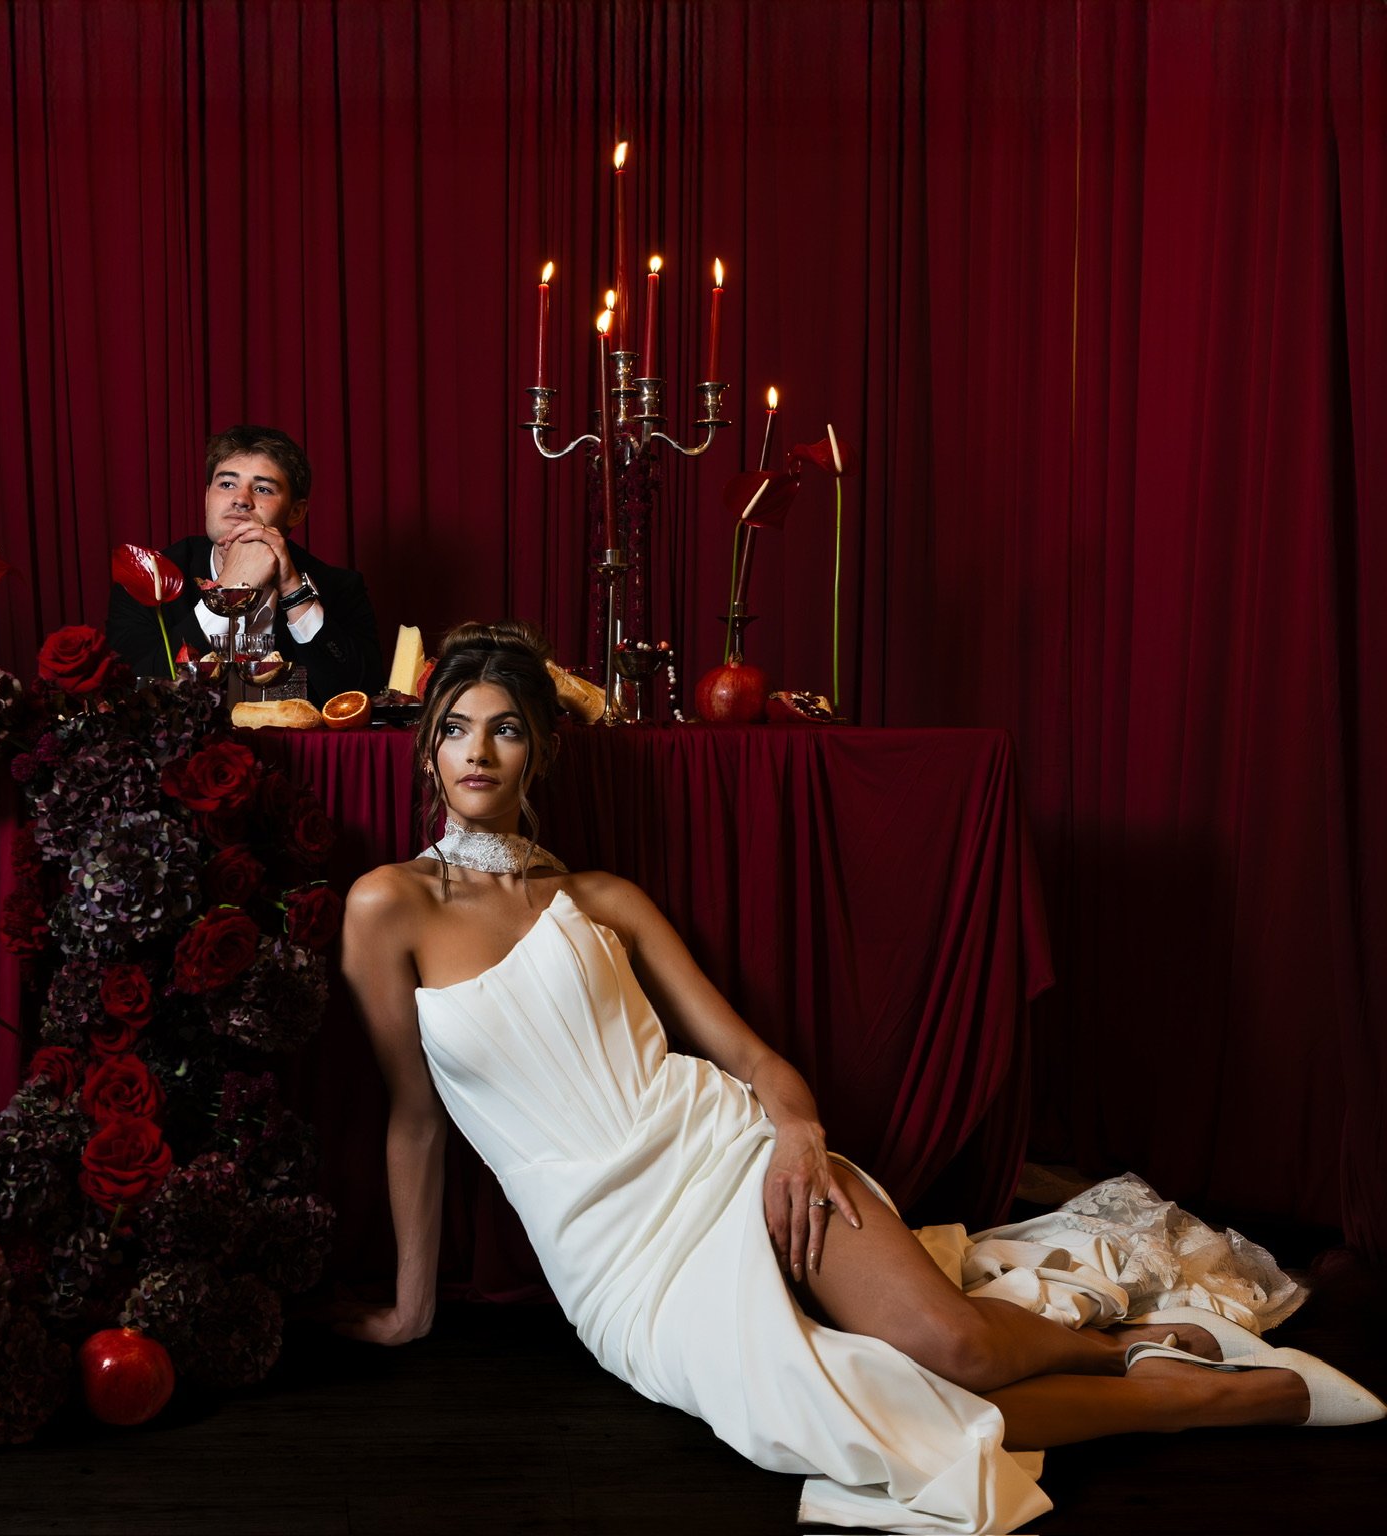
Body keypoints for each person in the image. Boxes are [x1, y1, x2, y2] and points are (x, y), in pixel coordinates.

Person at [334, 620, 1381, 1534]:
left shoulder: (603, 897)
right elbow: (414, 1121)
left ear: (539, 753)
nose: (479, 750)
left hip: (725, 1152)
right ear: (428, 753)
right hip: (614, 1257)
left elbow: (748, 1058)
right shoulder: (387, 908)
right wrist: (411, 1312)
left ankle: (1129, 1345)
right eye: (457, 728)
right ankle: (1191, 1391)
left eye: (505, 726)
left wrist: (793, 1134)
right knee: (851, 1420)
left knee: (956, 1350)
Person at [105, 424, 379, 706]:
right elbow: (132, 697)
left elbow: (360, 697)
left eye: (262, 488)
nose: (241, 500)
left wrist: (293, 590)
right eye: (227, 484)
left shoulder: (341, 588)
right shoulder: (148, 578)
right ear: (207, 497)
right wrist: (227, 594)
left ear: (296, 512)